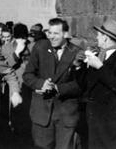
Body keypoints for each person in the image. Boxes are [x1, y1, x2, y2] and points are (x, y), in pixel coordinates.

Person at [73, 19, 116, 149]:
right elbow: (83, 85)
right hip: (94, 124)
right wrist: (78, 66)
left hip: (113, 127)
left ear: (106, 38)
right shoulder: (97, 56)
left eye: (99, 35)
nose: (96, 37)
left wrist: (100, 67)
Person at [23, 18, 82, 149]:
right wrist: (40, 84)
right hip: (41, 114)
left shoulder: (77, 52)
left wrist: (58, 88)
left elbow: (80, 84)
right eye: (50, 32)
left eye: (56, 33)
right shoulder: (40, 47)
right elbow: (27, 75)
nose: (51, 37)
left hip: (65, 115)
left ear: (66, 34)